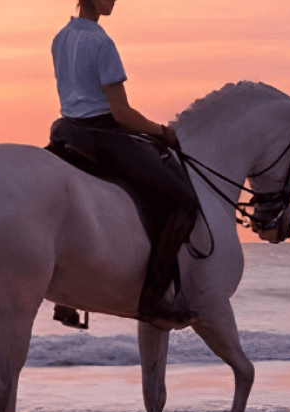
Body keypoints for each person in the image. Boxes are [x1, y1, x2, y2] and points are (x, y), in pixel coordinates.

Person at [47, 0, 199, 327]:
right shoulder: (101, 42)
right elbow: (122, 114)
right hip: (103, 135)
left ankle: (63, 299)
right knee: (183, 201)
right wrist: (163, 133)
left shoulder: (61, 37)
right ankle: (153, 299)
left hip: (67, 130)